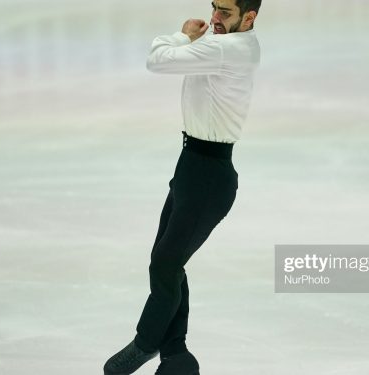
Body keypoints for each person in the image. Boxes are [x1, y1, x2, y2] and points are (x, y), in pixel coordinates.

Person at [104, 1, 261, 374]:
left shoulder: (228, 48)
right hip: (192, 166)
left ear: (249, 18)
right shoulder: (227, 46)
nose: (215, 19)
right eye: (214, 8)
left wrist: (183, 36)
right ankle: (176, 356)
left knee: (166, 263)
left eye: (226, 12)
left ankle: (146, 343)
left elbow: (158, 60)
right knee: (169, 262)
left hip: (208, 177)